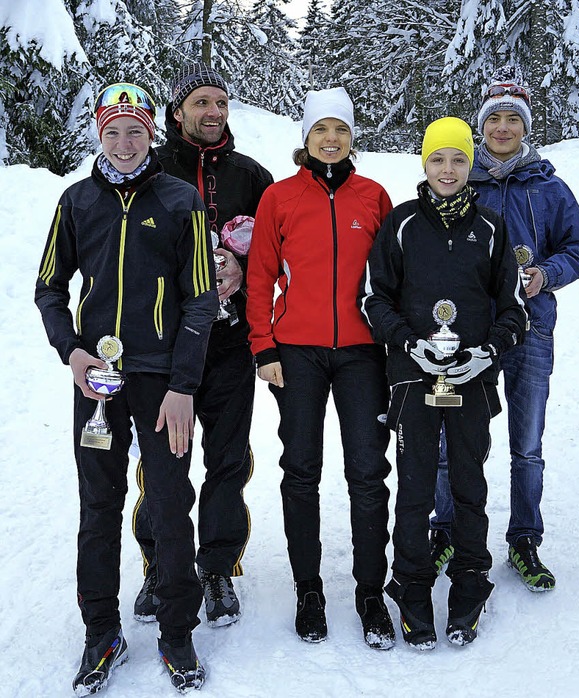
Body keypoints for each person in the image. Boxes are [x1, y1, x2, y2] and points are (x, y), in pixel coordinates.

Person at [35, 83, 217, 694]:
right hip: (98, 380)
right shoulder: (76, 201)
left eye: (134, 130)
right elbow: (50, 288)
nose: (123, 142)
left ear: (150, 134)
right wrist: (74, 351)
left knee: (169, 504)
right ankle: (101, 631)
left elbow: (201, 296)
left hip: (162, 381)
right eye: (112, 130)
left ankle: (176, 632)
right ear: (99, 135)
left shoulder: (180, 201)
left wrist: (184, 383)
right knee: (99, 505)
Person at [360, 116, 528, 648]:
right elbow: (375, 298)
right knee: (412, 487)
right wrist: (409, 344)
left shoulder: (492, 227)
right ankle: (411, 587)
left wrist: (486, 352)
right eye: (438, 159)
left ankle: (470, 583)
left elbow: (514, 307)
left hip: (472, 379)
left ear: (469, 164)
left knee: (468, 483)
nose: (448, 169)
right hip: (413, 378)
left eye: (458, 158)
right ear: (424, 164)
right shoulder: (403, 223)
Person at [429, 66, 579, 592]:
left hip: (531, 331)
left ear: (526, 127)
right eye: (494, 119)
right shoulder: (461, 178)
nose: (503, 128)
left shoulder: (548, 187)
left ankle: (524, 537)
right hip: (472, 334)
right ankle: (448, 529)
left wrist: (547, 274)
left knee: (527, 443)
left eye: (513, 120)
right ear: (482, 126)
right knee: (452, 437)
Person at [246, 87, 395, 649]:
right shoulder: (279, 199)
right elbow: (259, 277)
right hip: (297, 355)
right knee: (301, 471)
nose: (330, 139)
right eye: (320, 130)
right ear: (305, 139)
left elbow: (391, 276)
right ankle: (308, 588)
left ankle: (369, 590)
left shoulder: (374, 197)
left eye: (341, 130)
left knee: (367, 473)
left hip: (362, 354)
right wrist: (264, 347)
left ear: (353, 137)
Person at [131, 63, 273, 628]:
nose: (212, 111)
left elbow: (279, 255)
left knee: (228, 459)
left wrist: (242, 267)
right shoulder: (151, 168)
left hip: (231, 343)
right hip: (163, 348)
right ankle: (161, 565)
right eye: (201, 101)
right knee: (163, 463)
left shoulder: (252, 176)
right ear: (177, 109)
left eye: (221, 101)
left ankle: (215, 566)